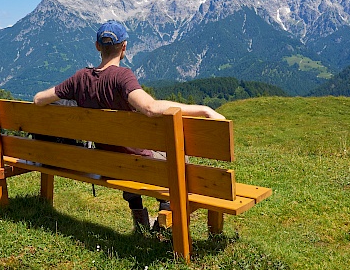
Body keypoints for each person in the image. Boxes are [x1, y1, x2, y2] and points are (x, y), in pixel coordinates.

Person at [33, 20, 225, 231]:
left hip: (106, 163)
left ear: (97, 46)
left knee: (129, 157)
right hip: (136, 164)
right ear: (124, 47)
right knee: (180, 156)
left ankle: (140, 222)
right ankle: (164, 217)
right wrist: (204, 110)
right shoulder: (121, 76)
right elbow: (150, 108)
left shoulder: (79, 78)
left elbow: (38, 100)